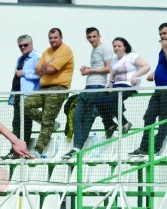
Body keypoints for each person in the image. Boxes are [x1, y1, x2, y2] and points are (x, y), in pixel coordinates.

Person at [62, 28, 113, 159]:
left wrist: (90, 71)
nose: (92, 39)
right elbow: (97, 69)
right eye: (89, 37)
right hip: (88, 87)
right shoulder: (94, 50)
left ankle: (77, 147)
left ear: (99, 36)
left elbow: (108, 68)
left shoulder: (105, 48)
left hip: (97, 88)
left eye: (94, 36)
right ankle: (76, 146)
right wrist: (87, 69)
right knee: (76, 116)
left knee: (88, 119)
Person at [24, 28, 74, 157]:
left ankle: (38, 150)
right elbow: (37, 70)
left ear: (61, 38)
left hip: (58, 88)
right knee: (24, 105)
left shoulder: (65, 50)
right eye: (50, 38)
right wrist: (45, 67)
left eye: (55, 37)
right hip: (44, 88)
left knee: (47, 120)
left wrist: (45, 67)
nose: (53, 40)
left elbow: (51, 69)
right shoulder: (47, 51)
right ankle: (53, 124)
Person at [95, 37, 150, 139]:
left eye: (119, 46)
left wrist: (135, 75)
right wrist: (108, 84)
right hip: (116, 86)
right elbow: (112, 75)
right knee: (99, 100)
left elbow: (146, 66)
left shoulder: (131, 56)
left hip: (128, 86)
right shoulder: (114, 60)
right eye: (114, 46)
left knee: (110, 101)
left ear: (125, 47)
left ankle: (124, 123)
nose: (116, 48)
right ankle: (110, 124)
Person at [1, 35, 41, 160]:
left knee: (25, 124)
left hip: (28, 96)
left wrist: (24, 73)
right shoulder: (20, 58)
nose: (22, 48)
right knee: (16, 123)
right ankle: (14, 150)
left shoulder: (37, 57)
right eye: (20, 46)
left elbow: (40, 73)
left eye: (25, 45)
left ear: (31, 44)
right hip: (17, 95)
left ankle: (23, 150)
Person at [130, 23, 167, 156]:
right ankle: (143, 147)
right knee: (149, 116)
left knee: (163, 119)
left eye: (165, 33)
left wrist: (165, 48)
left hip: (166, 90)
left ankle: (155, 148)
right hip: (158, 89)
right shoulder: (162, 50)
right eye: (160, 34)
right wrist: (154, 73)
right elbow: (162, 64)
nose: (162, 36)